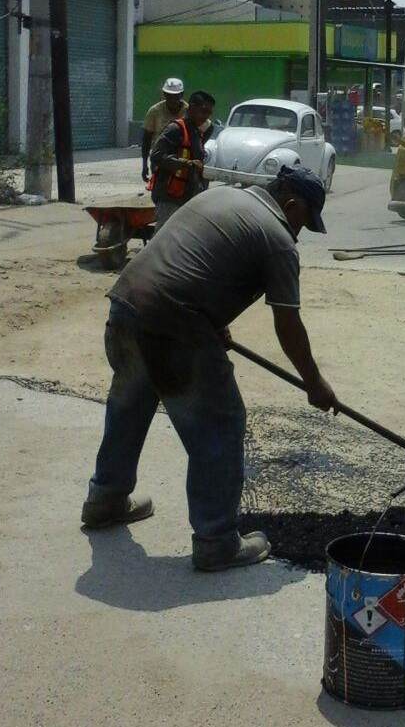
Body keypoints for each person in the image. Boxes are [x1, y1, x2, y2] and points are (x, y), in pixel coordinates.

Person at [80, 165, 338, 571]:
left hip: (128, 305)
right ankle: (217, 539)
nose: (300, 233)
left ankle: (105, 500)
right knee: (220, 422)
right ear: (291, 205)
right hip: (174, 323)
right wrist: (314, 383)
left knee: (130, 403)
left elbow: (192, 259)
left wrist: (212, 322)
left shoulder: (222, 196)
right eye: (305, 222)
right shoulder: (279, 241)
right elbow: (288, 324)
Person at [149, 90, 215, 232]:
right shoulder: (176, 129)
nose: (205, 116)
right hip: (170, 196)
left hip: (187, 195)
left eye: (209, 113)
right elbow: (157, 156)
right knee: (164, 235)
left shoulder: (197, 133)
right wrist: (187, 163)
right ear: (191, 107)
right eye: (203, 111)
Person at [140, 77, 188, 183]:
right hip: (161, 157)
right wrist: (144, 165)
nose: (172, 99)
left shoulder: (188, 111)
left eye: (175, 96)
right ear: (164, 94)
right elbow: (146, 139)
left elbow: (205, 128)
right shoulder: (155, 111)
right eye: (169, 95)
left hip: (183, 157)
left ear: (181, 95)